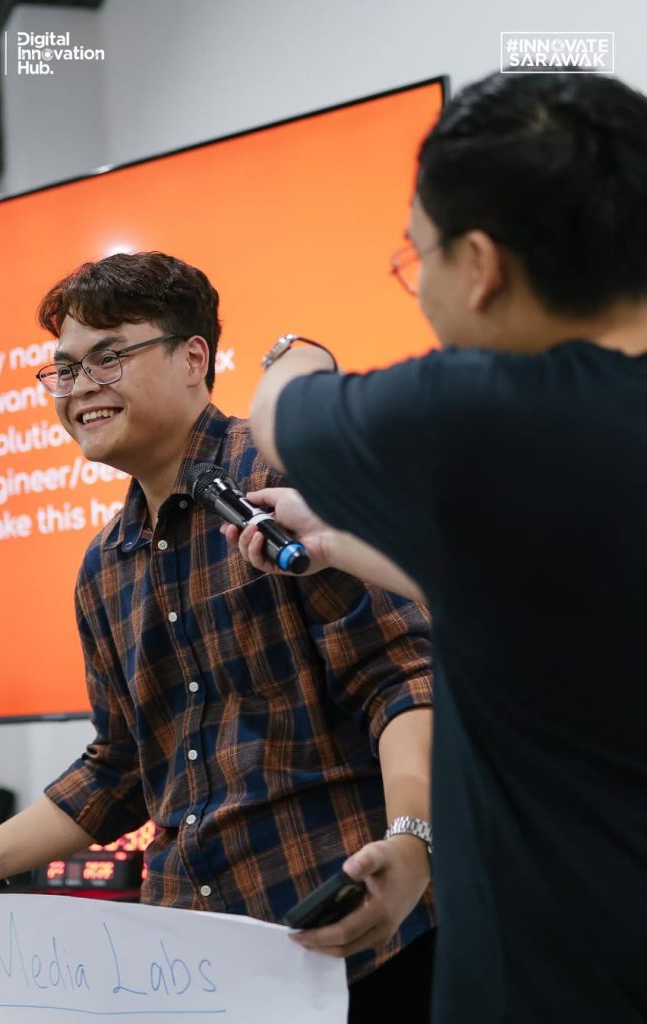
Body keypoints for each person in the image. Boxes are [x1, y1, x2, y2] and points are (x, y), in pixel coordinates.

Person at [0, 252, 437, 1020]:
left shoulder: (282, 478)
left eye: (108, 357)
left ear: (193, 359)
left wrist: (412, 842)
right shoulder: (104, 565)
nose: (79, 386)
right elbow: (118, 768)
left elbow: (402, 676)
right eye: (64, 369)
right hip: (197, 969)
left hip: (358, 936)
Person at [244, 72, 647, 1023]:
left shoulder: (479, 414)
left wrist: (296, 350)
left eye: (414, 255)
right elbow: (540, 585)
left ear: (479, 263)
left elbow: (278, 414)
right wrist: (334, 542)